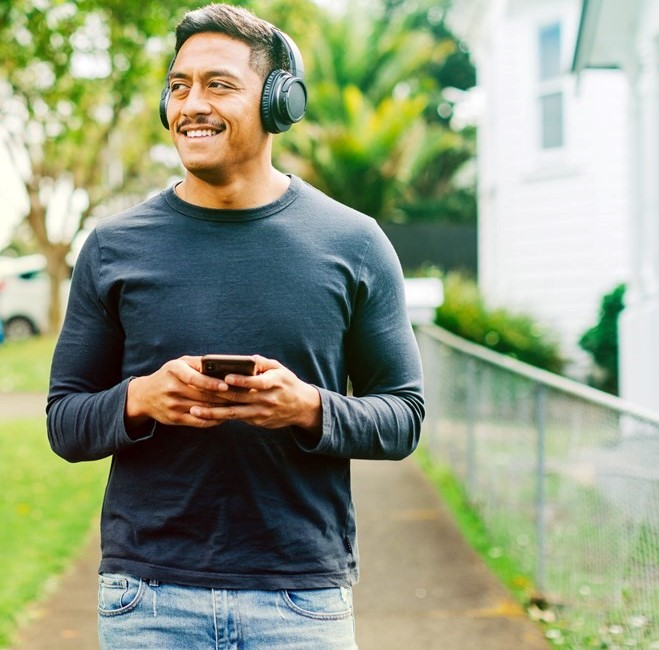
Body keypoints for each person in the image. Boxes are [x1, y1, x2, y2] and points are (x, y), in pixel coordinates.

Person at [46, 4, 424, 648]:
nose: (191, 103)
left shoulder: (354, 243)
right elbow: (65, 422)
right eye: (178, 86)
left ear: (279, 102)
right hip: (147, 601)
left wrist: (307, 408)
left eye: (218, 84)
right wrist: (142, 399)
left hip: (301, 600)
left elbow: (404, 415)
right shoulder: (112, 247)